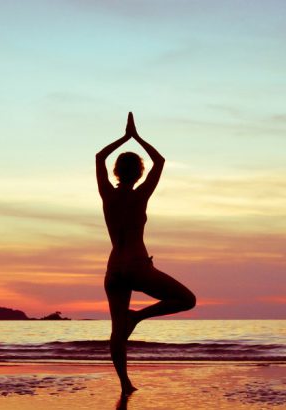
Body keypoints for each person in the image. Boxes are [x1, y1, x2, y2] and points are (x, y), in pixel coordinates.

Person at [96, 112, 196, 396]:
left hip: (114, 269)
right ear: (139, 173)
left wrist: (123, 138)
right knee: (187, 299)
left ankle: (125, 384)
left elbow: (99, 157)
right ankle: (137, 317)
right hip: (138, 266)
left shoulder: (107, 194)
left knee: (117, 331)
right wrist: (137, 137)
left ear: (116, 172)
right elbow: (161, 162)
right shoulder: (141, 195)